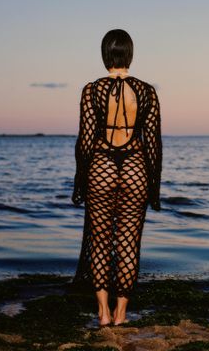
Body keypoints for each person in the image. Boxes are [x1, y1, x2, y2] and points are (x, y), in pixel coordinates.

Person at [71, 28, 162, 327]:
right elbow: (153, 144)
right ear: (130, 54)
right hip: (136, 165)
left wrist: (80, 181)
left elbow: (85, 141)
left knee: (99, 240)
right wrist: (154, 186)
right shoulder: (147, 91)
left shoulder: (92, 90)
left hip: (101, 166)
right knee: (128, 241)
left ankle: (103, 313)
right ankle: (122, 314)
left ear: (105, 54)